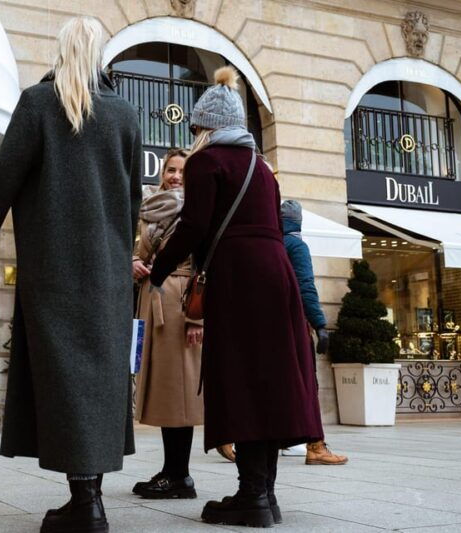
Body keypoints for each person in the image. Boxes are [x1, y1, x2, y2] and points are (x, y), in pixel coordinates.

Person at [0, 17, 141, 533]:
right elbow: (133, 203)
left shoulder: (38, 104)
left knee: (64, 382)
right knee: (98, 384)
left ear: (60, 52)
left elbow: (2, 181)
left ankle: (85, 504)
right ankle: (90, 497)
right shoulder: (125, 115)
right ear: (102, 55)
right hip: (107, 275)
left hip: (54, 272)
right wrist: (120, 259)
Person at [150, 66, 323, 528]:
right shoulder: (263, 169)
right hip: (277, 277)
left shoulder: (208, 162)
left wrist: (158, 271)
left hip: (239, 277)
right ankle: (265, 495)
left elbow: (194, 226)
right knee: (270, 379)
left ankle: (250, 497)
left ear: (206, 126)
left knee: (241, 378)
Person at [131, 148, 203, 499]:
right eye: (170, 169)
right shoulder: (148, 207)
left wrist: (196, 317)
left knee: (180, 393)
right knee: (163, 391)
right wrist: (133, 262)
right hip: (151, 299)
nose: (175, 176)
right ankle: (170, 469)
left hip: (179, 301)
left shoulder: (199, 207)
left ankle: (180, 475)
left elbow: (204, 264)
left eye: (182, 171)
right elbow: (138, 251)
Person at [279, 200, 349, 465]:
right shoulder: (296, 245)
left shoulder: (271, 244)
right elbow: (306, 286)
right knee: (308, 384)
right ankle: (316, 446)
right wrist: (320, 324)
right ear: (298, 221)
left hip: (270, 328)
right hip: (294, 327)